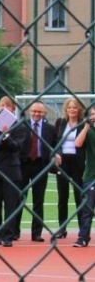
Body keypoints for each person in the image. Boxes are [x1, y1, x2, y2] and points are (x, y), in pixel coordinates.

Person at [0, 96, 26, 248]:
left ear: (12, 108)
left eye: (7, 105)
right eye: (1, 105)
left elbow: (16, 147)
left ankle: (8, 236)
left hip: (11, 171)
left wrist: (6, 137)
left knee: (10, 204)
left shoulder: (20, 126)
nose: (4, 108)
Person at [18, 101, 58, 242]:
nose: (36, 114)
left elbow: (56, 145)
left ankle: (36, 233)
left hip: (41, 166)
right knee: (19, 198)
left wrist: (56, 154)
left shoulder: (50, 129)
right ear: (30, 111)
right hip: (23, 165)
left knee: (38, 201)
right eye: (34, 111)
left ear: (44, 113)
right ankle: (15, 231)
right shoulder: (21, 127)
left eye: (39, 112)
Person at [54, 97, 85, 239]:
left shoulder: (84, 124)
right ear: (66, 109)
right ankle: (62, 228)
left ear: (79, 109)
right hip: (63, 162)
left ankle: (82, 229)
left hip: (78, 163)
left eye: (74, 107)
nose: (72, 110)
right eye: (69, 107)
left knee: (79, 196)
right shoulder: (60, 123)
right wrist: (57, 154)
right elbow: (55, 141)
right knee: (62, 197)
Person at [71, 106, 95, 247]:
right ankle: (83, 237)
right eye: (91, 114)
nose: (93, 116)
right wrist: (86, 127)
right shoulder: (89, 132)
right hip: (91, 176)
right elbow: (77, 144)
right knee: (87, 209)